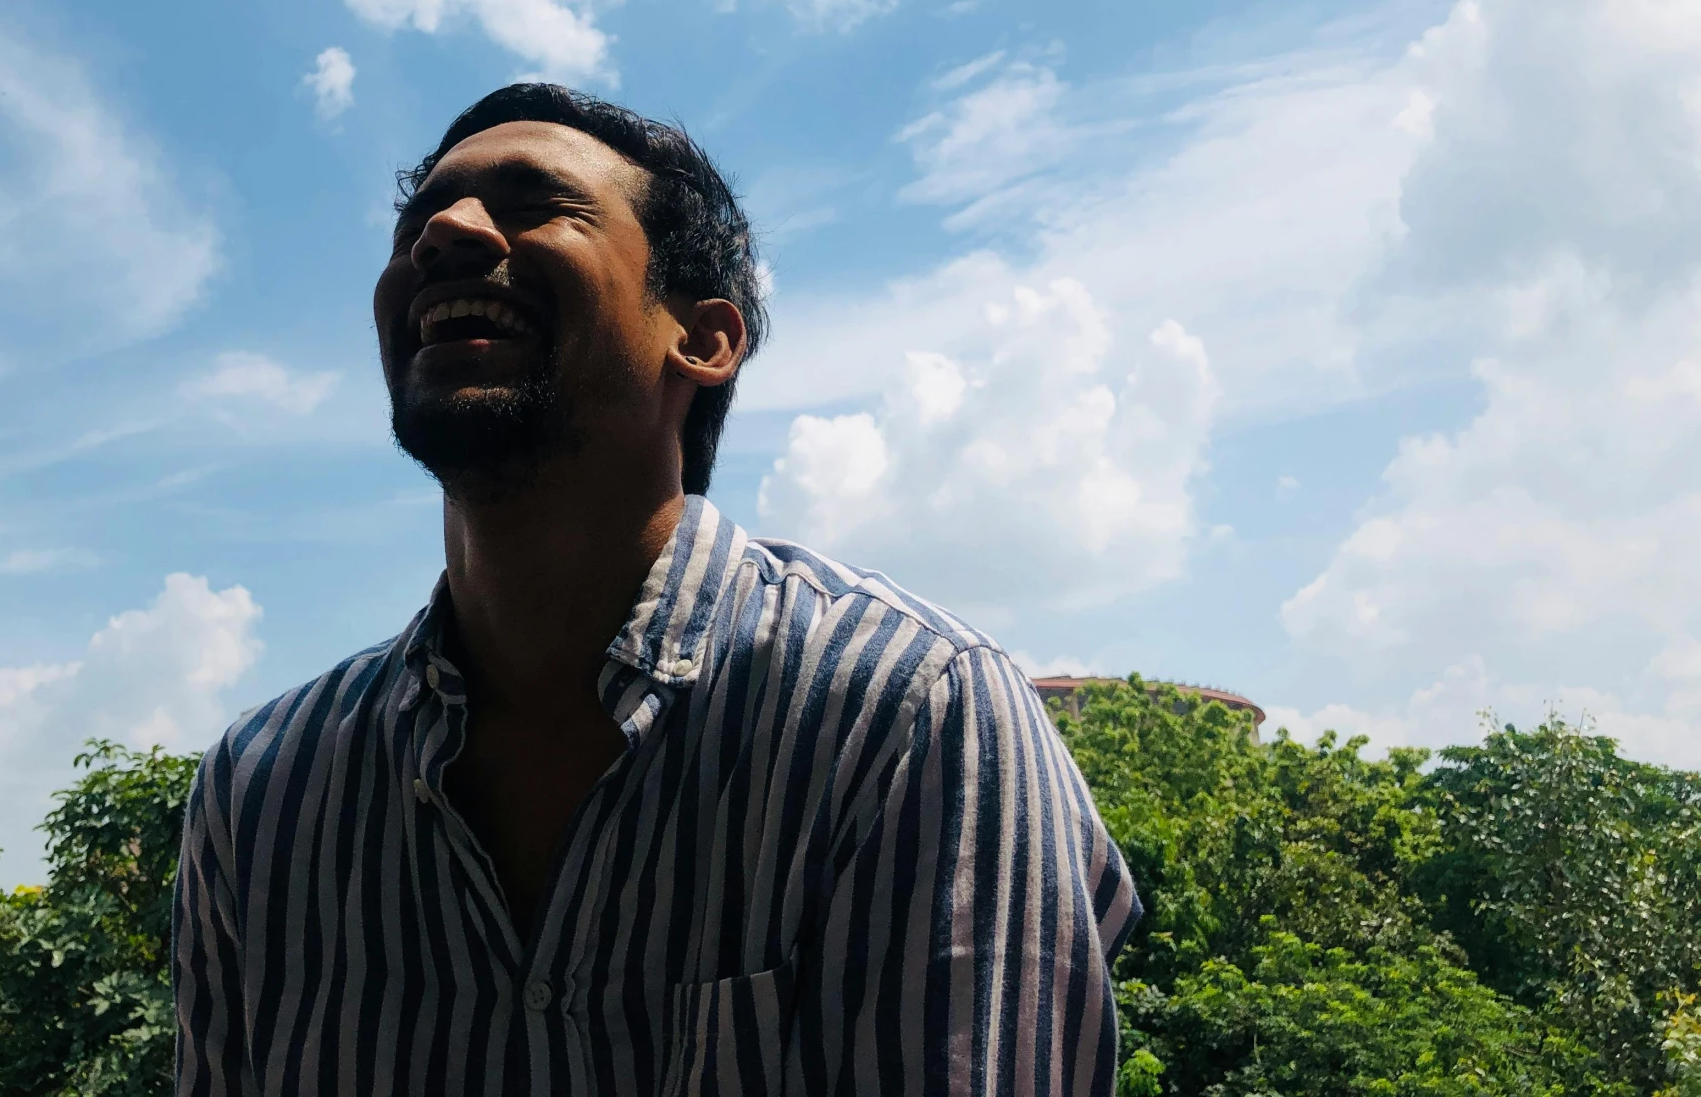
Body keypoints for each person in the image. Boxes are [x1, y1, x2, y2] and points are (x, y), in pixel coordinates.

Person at [174, 84, 1139, 1096]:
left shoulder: (909, 717)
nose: (444, 233)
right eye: (419, 220)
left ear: (704, 338)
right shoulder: (262, 790)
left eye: (535, 202)